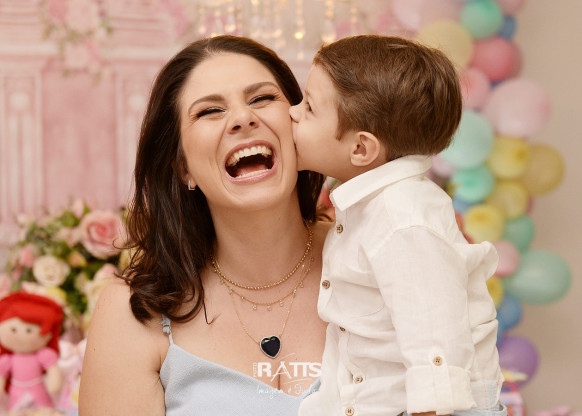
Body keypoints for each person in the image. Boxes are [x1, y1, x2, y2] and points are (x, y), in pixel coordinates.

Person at [79, 35, 329, 415]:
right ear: (184, 168)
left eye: (262, 98)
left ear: (299, 125)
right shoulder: (133, 312)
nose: (243, 118)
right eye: (210, 111)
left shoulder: (378, 253)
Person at [289, 35, 505, 416]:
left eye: (308, 107)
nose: (291, 112)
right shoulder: (373, 207)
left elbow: (435, 335)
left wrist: (430, 408)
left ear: (361, 149)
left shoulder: (402, 217)